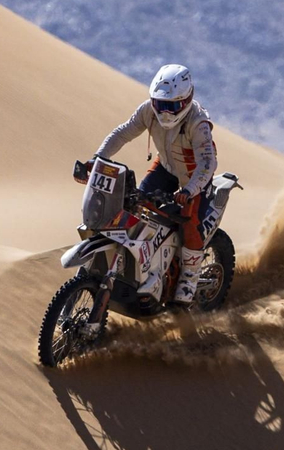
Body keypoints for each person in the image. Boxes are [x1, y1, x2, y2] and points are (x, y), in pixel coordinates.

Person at [87, 63, 217, 304]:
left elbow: (208, 163)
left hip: (193, 179)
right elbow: (122, 133)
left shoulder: (197, 123)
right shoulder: (148, 111)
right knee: (134, 206)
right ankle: (141, 265)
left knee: (189, 223)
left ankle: (189, 279)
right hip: (166, 169)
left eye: (172, 106)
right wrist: (98, 159)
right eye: (160, 104)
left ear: (187, 99)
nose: (165, 112)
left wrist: (189, 190)